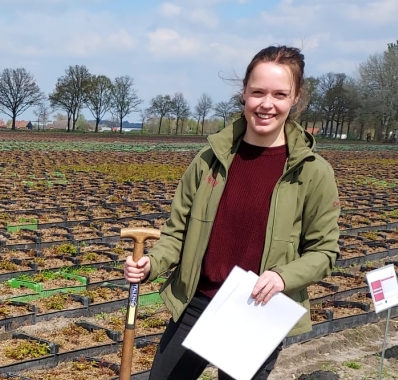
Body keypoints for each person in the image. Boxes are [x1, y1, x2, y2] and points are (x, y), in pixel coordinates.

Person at [123, 45, 341, 380]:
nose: (266, 104)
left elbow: (325, 251)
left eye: (279, 94)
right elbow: (177, 232)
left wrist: (284, 276)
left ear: (295, 98)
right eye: (258, 92)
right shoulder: (209, 160)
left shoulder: (313, 172)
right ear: (244, 93)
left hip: (257, 309)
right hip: (196, 300)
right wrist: (152, 263)